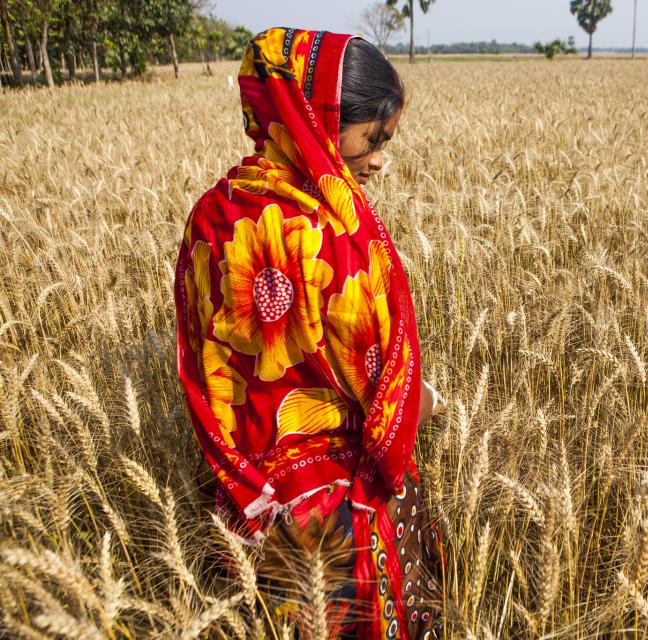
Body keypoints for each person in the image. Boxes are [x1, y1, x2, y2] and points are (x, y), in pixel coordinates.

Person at [173, 27, 444, 639]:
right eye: (372, 139)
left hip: (246, 511)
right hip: (343, 529)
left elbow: (198, 367)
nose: (379, 159)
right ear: (316, 117)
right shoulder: (336, 235)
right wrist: (424, 404)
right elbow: (384, 398)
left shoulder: (210, 215)